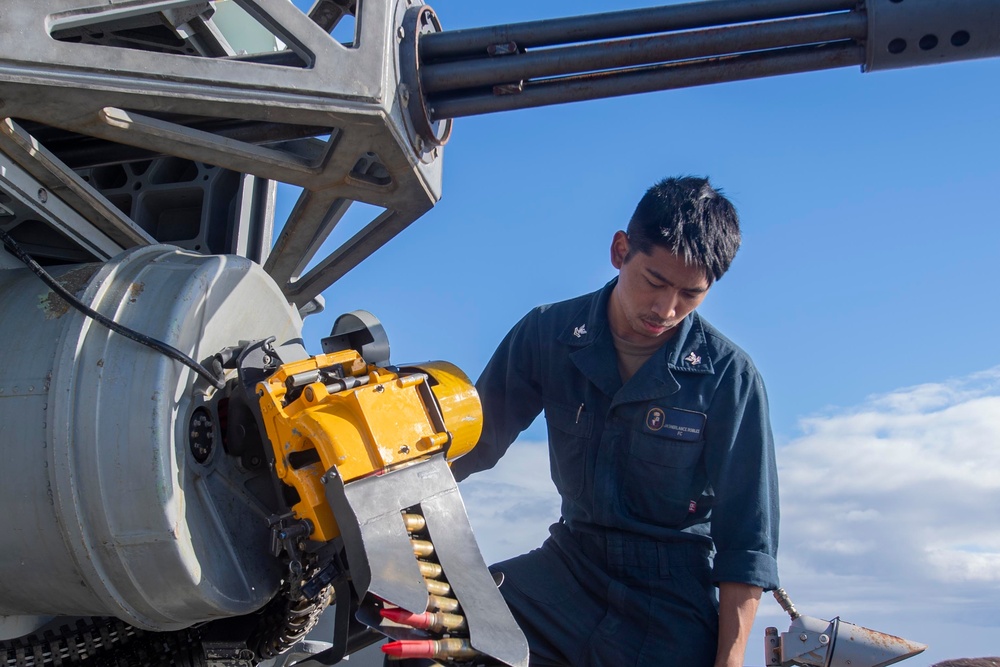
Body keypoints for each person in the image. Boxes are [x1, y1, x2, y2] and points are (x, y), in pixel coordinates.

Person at [449, 176, 780, 667]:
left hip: (670, 602)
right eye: (655, 282)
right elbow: (471, 443)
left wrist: (728, 663)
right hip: (569, 569)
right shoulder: (548, 333)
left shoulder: (730, 378)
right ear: (620, 250)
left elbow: (746, 543)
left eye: (690, 294)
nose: (666, 309)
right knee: (445, 629)